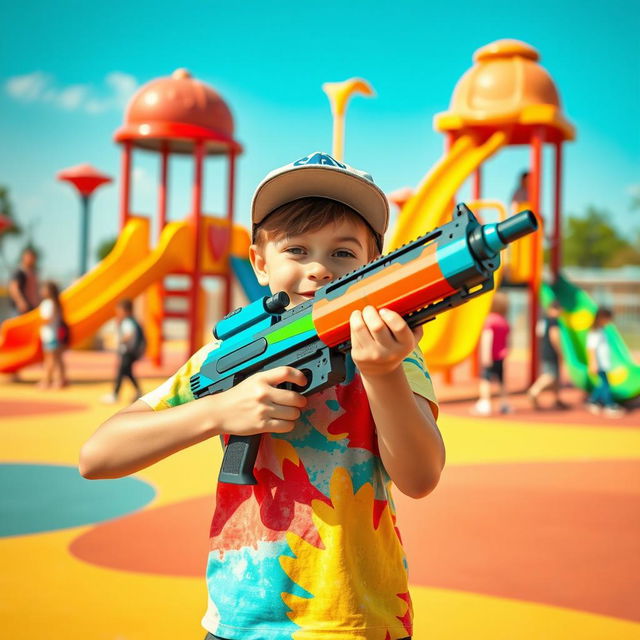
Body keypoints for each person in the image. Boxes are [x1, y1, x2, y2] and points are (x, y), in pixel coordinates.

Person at [80, 151, 444, 640]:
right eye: (297, 250)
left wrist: (381, 373)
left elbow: (420, 477)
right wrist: (220, 411)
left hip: (357, 620)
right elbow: (97, 455)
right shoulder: (232, 354)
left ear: (372, 266)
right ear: (259, 263)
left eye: (343, 253)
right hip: (239, 620)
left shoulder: (391, 352)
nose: (319, 269)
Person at [472, 291, 512, 415]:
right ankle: (504, 403)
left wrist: (485, 355)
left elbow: (487, 338)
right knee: (501, 380)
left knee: (485, 380)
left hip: (490, 356)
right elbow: (508, 340)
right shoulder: (504, 322)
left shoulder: (490, 320)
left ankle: (485, 402)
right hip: (501, 356)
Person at [101, 299, 145, 404]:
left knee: (121, 373)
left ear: (126, 311)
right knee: (127, 373)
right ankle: (138, 391)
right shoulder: (130, 321)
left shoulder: (128, 322)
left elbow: (128, 334)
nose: (118, 314)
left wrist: (117, 341)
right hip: (128, 352)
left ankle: (115, 394)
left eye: (119, 311)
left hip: (127, 352)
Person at [527, 300, 569, 409]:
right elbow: (554, 336)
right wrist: (560, 352)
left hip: (544, 349)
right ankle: (534, 391)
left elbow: (539, 335)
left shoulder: (543, 320)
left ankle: (557, 399)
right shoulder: (554, 321)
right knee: (550, 375)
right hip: (552, 351)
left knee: (556, 377)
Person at [586, 308, 625, 417]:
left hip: (604, 363)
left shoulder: (601, 330)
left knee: (602, 384)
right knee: (605, 384)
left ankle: (592, 401)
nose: (609, 322)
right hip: (599, 363)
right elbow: (591, 349)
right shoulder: (594, 331)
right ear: (601, 318)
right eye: (608, 319)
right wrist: (593, 363)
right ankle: (609, 405)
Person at [38, 280, 67, 389]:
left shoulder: (50, 304)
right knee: (57, 358)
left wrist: (38, 322)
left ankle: (47, 380)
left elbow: (48, 319)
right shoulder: (54, 303)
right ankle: (61, 379)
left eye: (44, 288)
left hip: (51, 335)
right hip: (50, 334)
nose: (42, 291)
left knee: (50, 359)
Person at [8, 246, 40, 315]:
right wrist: (20, 302)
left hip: (32, 308)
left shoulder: (33, 272)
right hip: (20, 309)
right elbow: (14, 288)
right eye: (29, 256)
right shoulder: (19, 272)